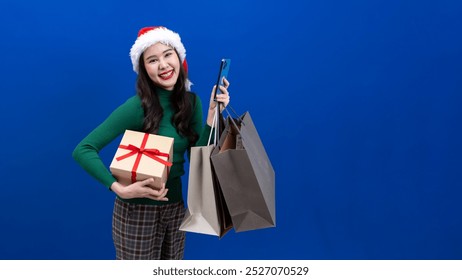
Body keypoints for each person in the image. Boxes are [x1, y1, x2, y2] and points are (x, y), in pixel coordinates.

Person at [72, 26, 230, 260]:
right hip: (137, 212)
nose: (164, 65)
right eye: (153, 60)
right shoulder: (138, 106)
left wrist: (211, 117)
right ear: (144, 69)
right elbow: (83, 149)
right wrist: (119, 189)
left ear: (179, 57)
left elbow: (201, 160)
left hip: (176, 209)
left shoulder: (192, 103)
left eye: (168, 54)